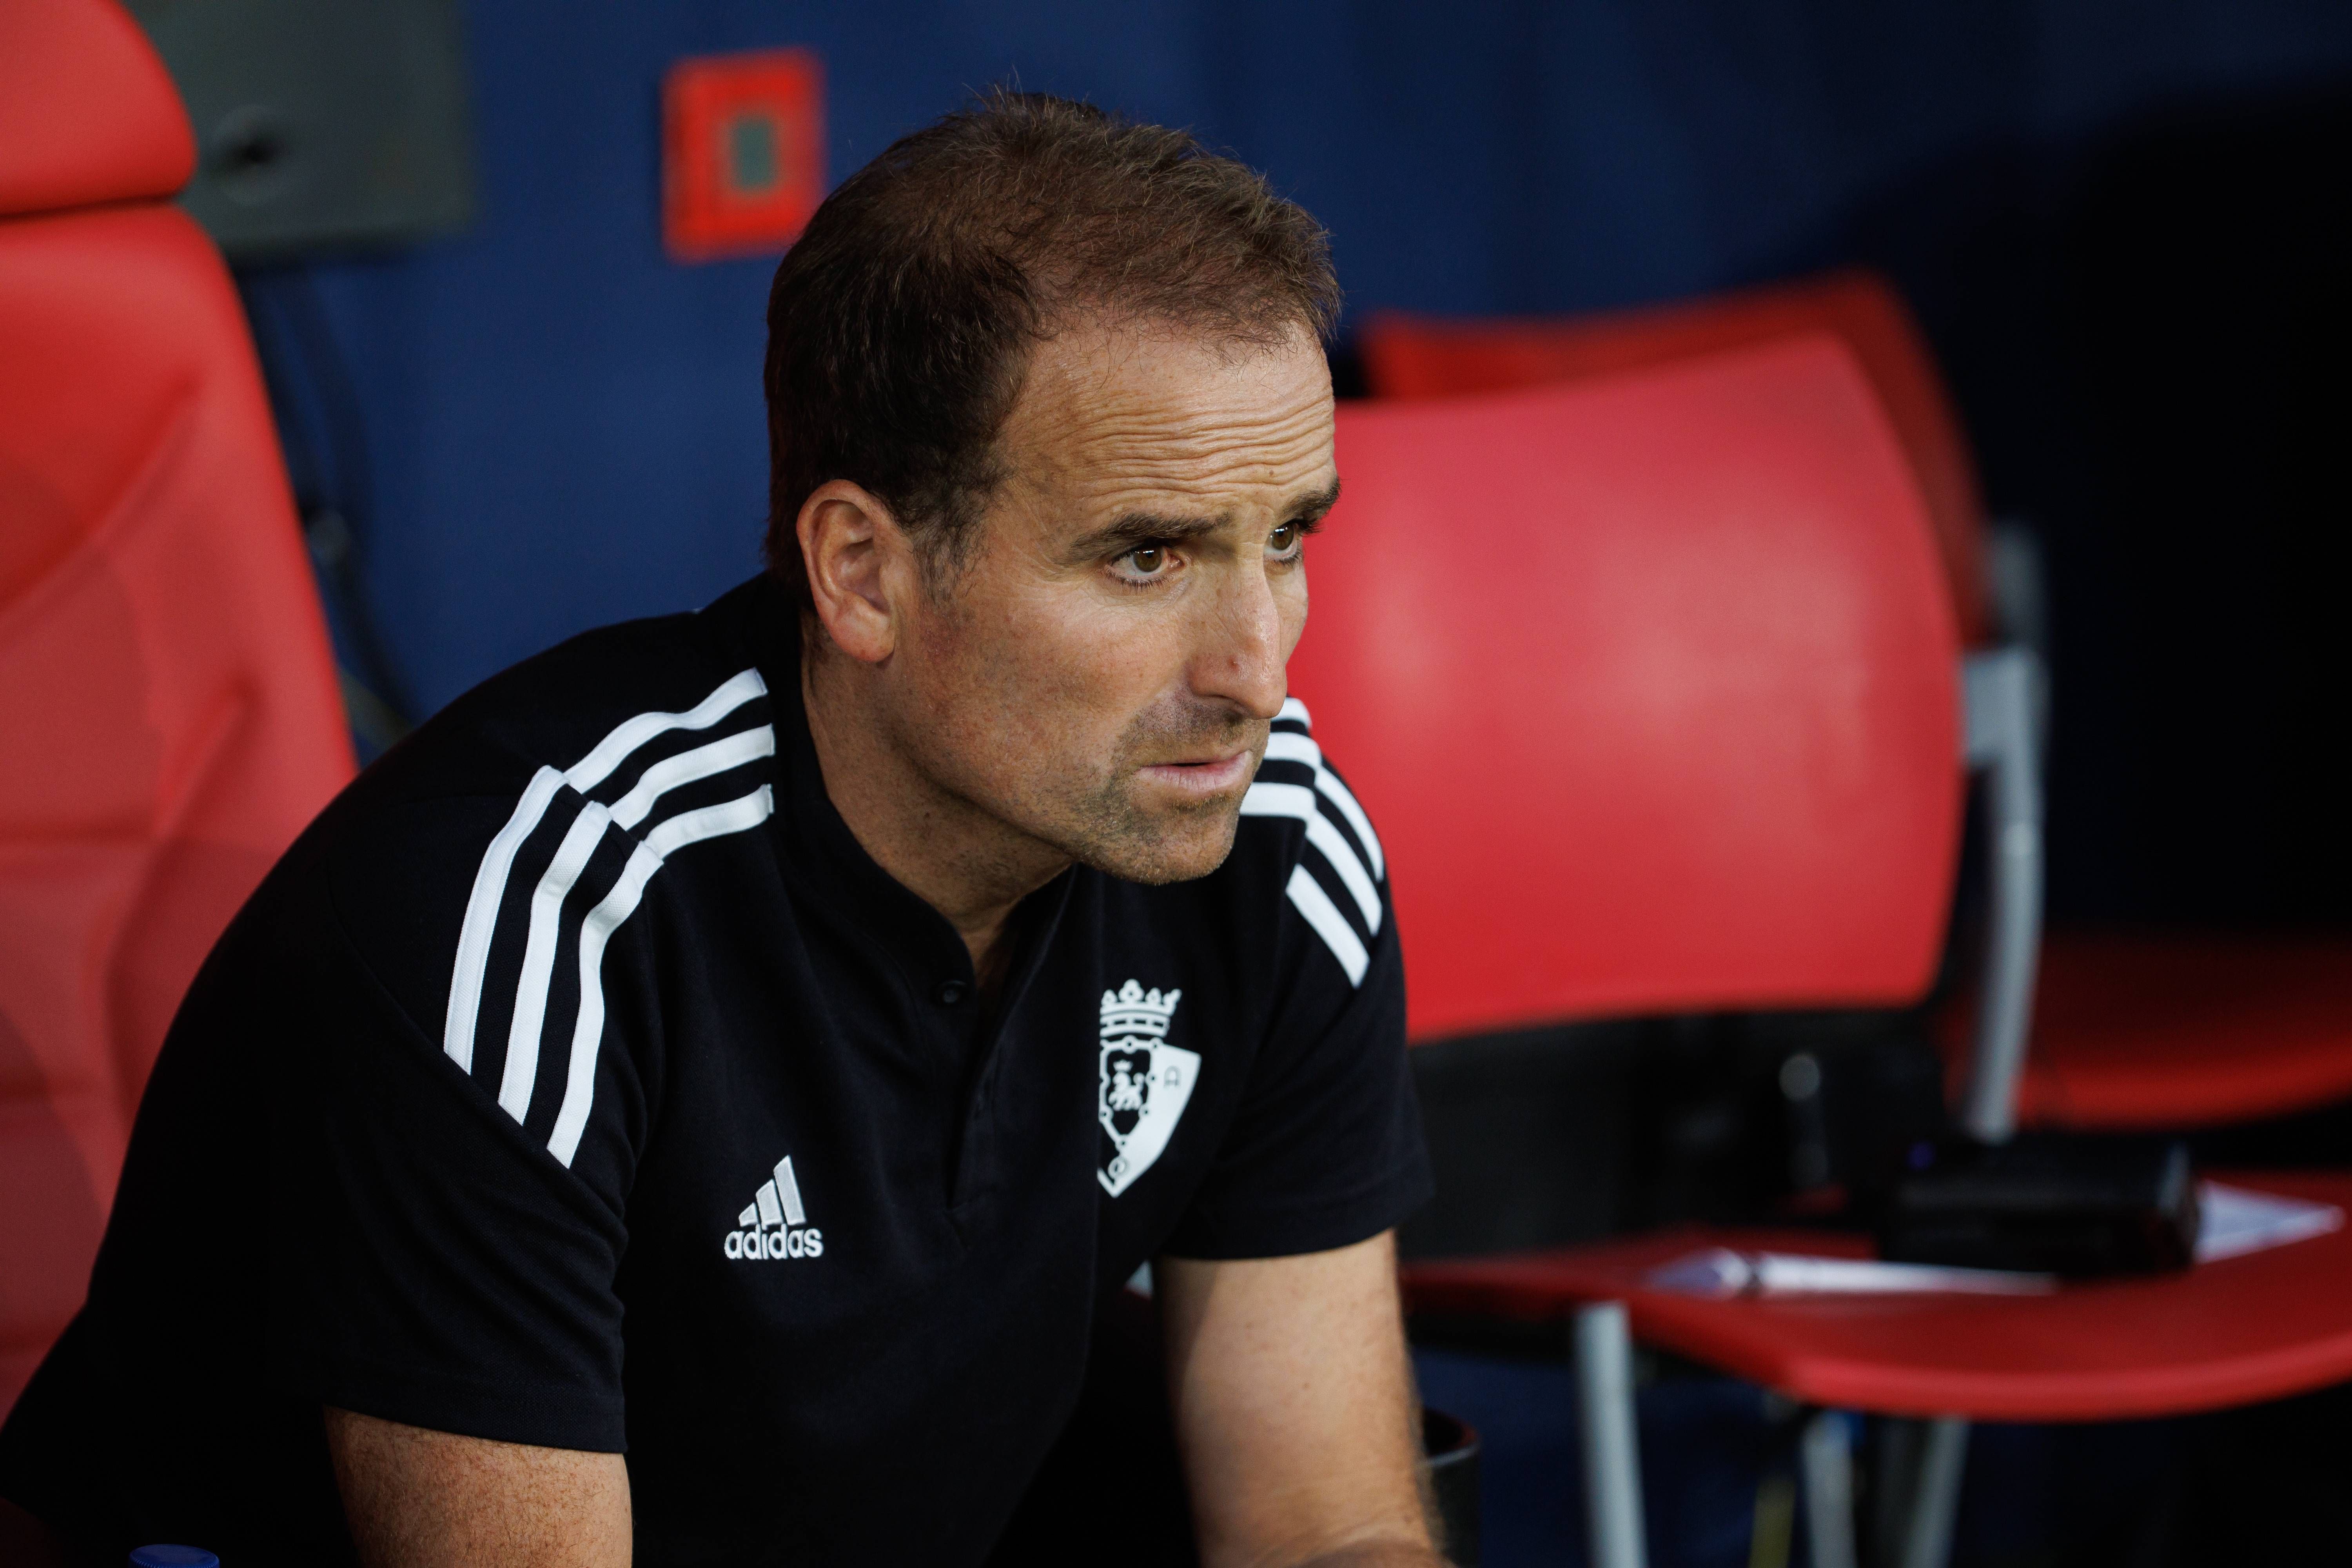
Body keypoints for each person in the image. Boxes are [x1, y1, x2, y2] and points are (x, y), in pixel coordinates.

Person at [0, 92, 1435, 1567]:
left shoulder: (1274, 839)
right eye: (1147, 558)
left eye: (1287, 538)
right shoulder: (521, 916)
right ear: (864, 575)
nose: (1256, 669)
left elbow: (1330, 1534)